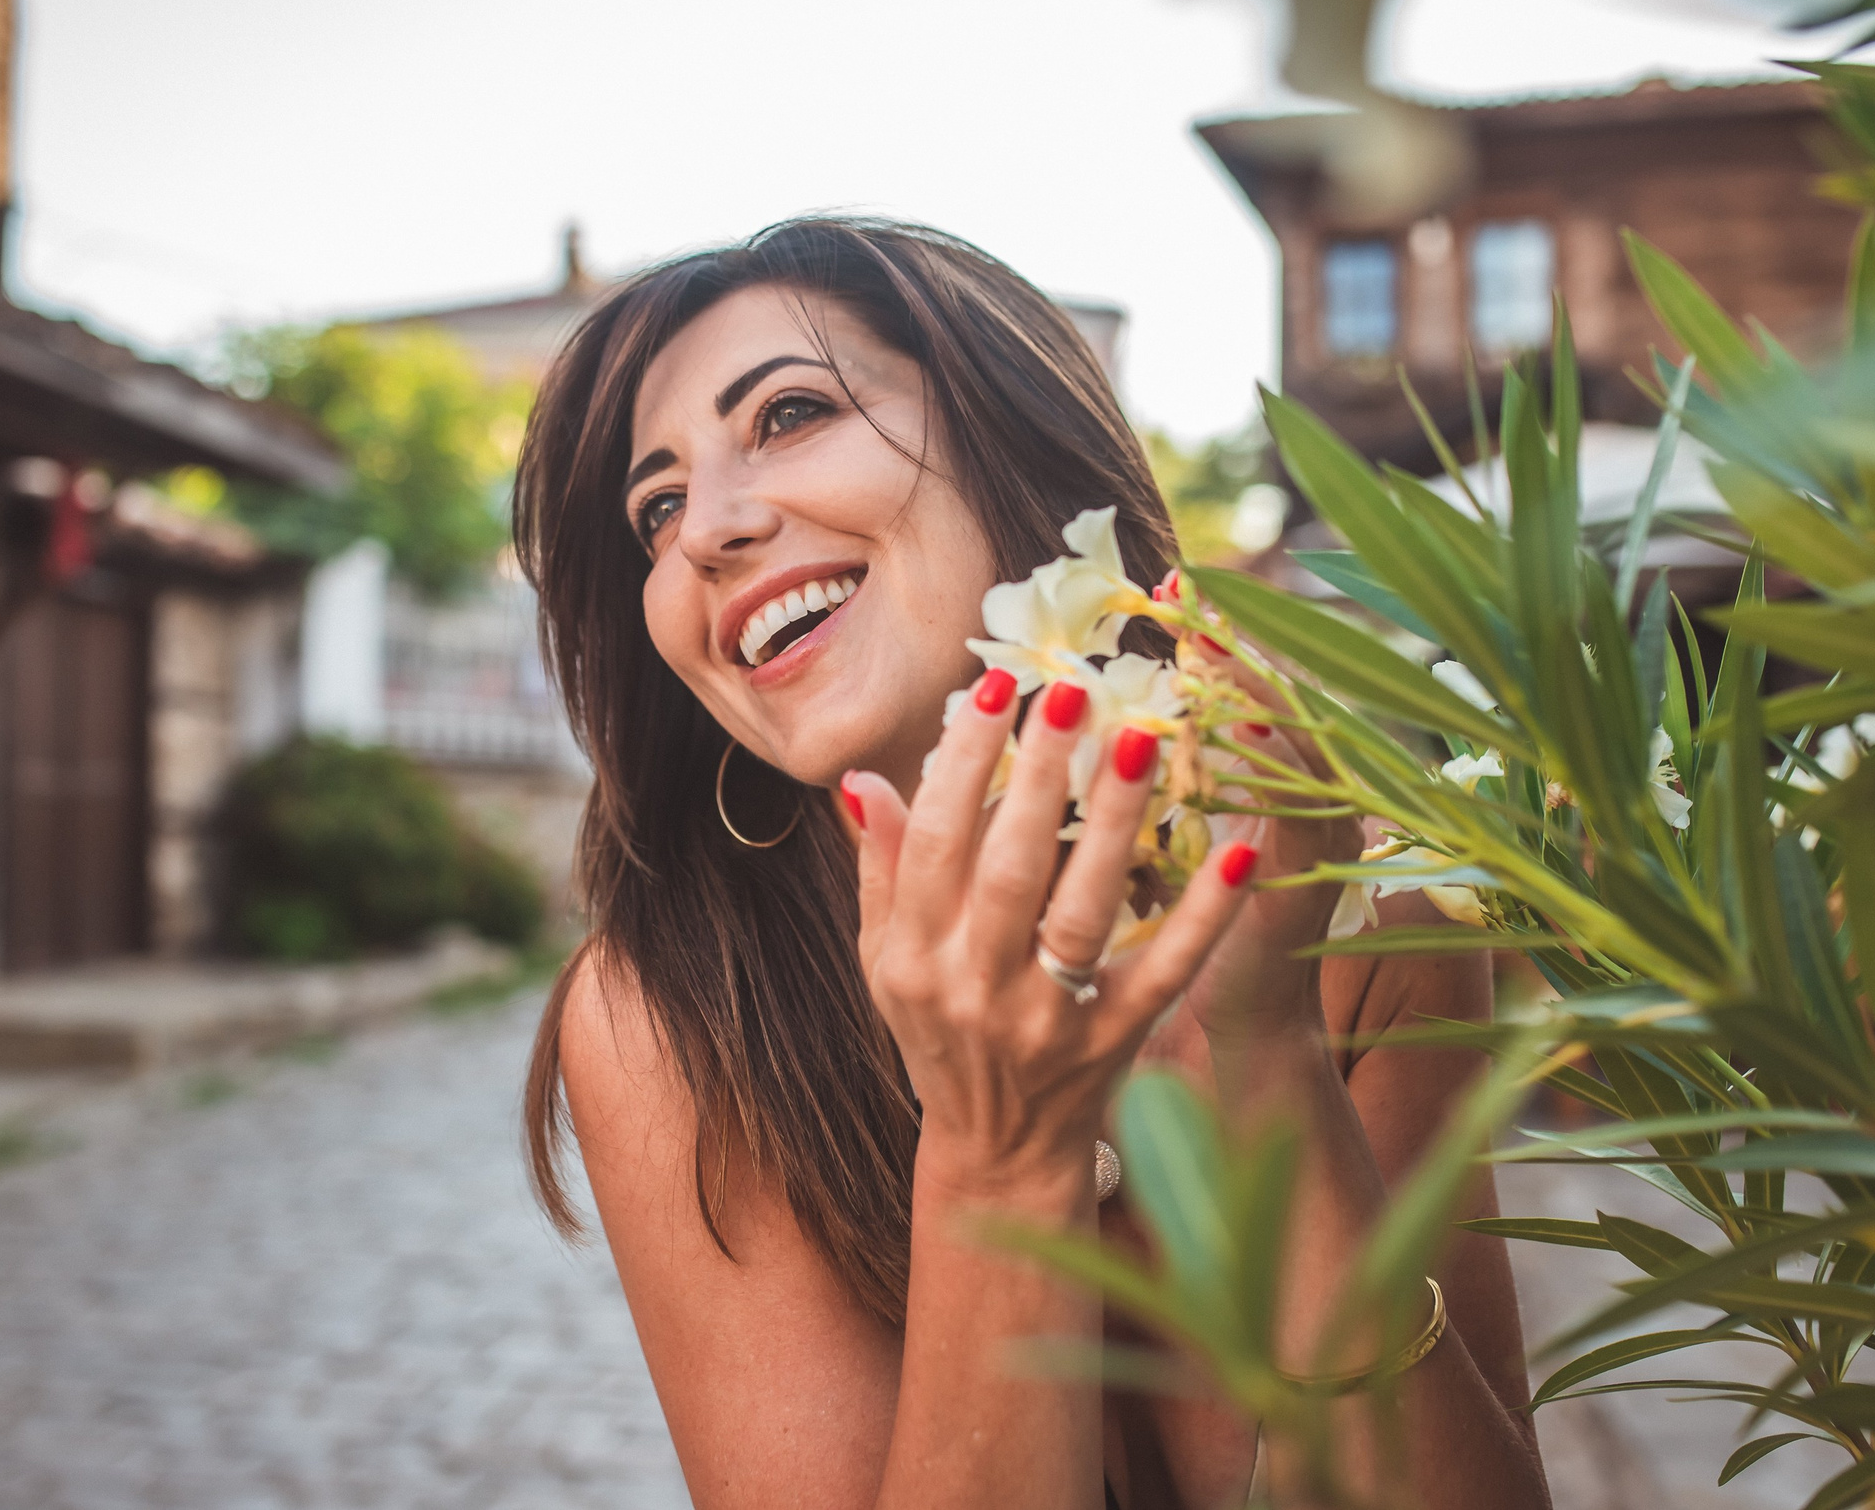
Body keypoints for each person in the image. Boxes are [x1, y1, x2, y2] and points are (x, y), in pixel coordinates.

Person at [513, 217, 1550, 1509]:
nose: (702, 533)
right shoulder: (673, 1014)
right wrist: (1000, 1152)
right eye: (654, 508)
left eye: (787, 414)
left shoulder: (1351, 905)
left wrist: (1270, 1061)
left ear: (1017, 445)